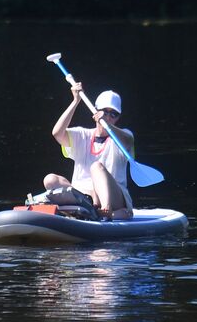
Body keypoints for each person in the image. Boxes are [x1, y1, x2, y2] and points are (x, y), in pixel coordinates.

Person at [40, 81, 134, 220]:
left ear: (118, 117)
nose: (108, 117)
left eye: (113, 114)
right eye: (105, 112)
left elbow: (128, 140)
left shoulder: (123, 135)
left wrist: (108, 125)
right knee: (50, 180)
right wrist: (75, 101)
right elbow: (57, 133)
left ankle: (106, 210)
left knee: (96, 167)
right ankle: (90, 208)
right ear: (95, 112)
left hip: (115, 198)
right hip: (85, 197)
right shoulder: (82, 135)